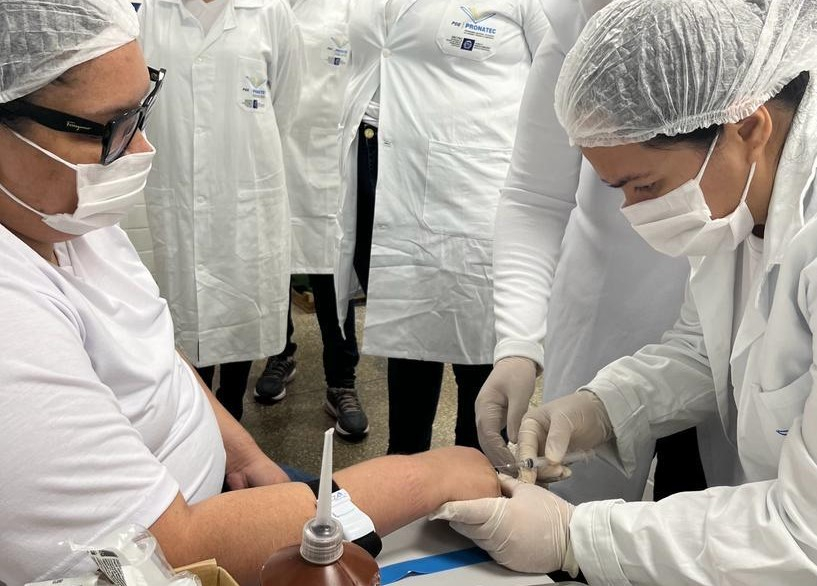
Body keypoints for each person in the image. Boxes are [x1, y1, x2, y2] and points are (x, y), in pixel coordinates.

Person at [0, 3, 501, 584]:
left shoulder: (63, 218)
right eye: (108, 127)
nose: (139, 151)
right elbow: (170, 551)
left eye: (141, 114)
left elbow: (155, 354)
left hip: (223, 490)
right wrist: (429, 475)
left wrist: (244, 454)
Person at [433, 0, 817, 583]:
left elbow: (801, 532)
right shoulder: (742, 206)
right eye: (615, 188)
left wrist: (574, 538)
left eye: (644, 185)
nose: (633, 213)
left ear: (749, 128)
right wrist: (602, 408)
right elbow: (701, 347)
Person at [475, 0, 708, 504]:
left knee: (717, 501)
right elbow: (534, 196)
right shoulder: (575, 22)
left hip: (744, 316)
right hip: (608, 308)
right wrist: (517, 343)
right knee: (577, 507)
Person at [334, 0, 549, 455]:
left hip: (480, 189)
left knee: (481, 348)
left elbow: (561, 82)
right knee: (409, 336)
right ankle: (407, 476)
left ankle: (479, 478)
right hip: (384, 171)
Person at [136, 0, 302, 421]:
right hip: (176, 192)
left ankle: (231, 412)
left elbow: (284, 102)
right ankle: (195, 421)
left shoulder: (269, 11)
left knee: (237, 308)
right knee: (183, 315)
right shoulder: (152, 12)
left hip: (243, 190)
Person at [255, 0, 370, 441]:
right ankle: (279, 351)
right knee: (272, 258)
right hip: (272, 151)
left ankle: (341, 379)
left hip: (330, 158)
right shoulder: (261, 8)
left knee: (329, 272)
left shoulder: (352, 9)